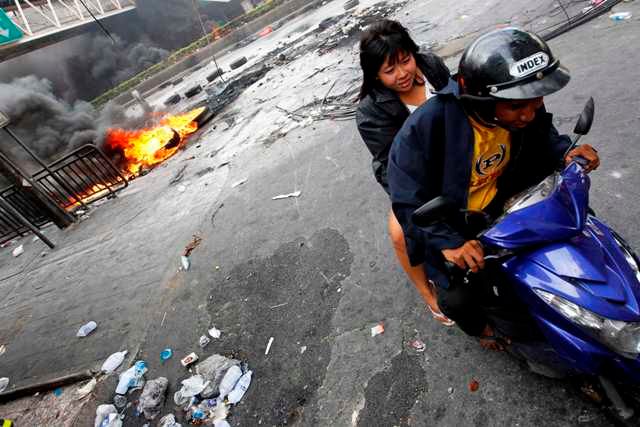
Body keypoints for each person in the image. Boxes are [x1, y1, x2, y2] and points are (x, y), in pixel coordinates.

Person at [387, 27, 600, 349]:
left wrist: (565, 152)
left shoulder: (521, 103)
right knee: (459, 301)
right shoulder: (426, 127)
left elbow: (543, 134)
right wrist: (449, 242)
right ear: (482, 100)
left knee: (582, 230)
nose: (528, 113)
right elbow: (406, 199)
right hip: (459, 221)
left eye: (536, 101)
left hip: (511, 199)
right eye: (516, 108)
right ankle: (486, 332)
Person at [356, 19, 454, 325]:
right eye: (389, 70)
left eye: (405, 61)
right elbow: (392, 169)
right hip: (418, 180)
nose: (403, 74)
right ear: (375, 74)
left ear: (413, 53)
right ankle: (428, 294)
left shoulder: (433, 67)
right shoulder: (370, 112)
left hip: (462, 158)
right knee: (400, 234)